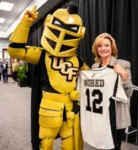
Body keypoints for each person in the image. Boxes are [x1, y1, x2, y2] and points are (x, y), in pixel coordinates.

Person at [8, 3, 89, 150]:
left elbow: (92, 77)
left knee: (70, 144)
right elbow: (15, 51)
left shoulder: (77, 60)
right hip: (48, 109)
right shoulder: (42, 54)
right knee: (45, 144)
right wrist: (25, 24)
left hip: (70, 111)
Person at [92, 33, 133, 150]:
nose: (103, 48)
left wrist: (124, 75)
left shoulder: (123, 64)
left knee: (114, 146)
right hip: (100, 114)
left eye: (106, 45)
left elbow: (129, 93)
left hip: (116, 114)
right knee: (101, 146)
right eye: (100, 46)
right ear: (96, 49)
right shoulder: (95, 67)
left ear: (112, 47)